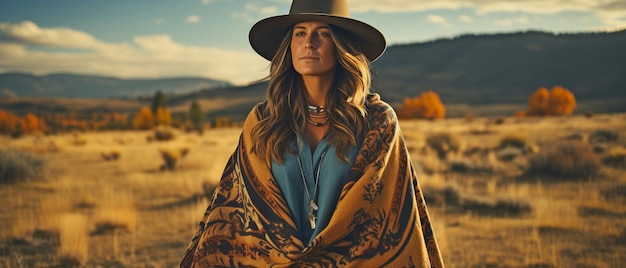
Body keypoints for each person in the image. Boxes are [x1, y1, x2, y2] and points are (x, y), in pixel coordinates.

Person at [180, 0, 444, 267]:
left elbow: (388, 218)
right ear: (290, 47)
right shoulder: (262, 122)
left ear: (342, 46)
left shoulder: (377, 122)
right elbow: (237, 219)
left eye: (323, 33)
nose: (309, 43)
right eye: (300, 33)